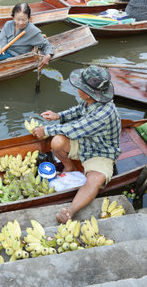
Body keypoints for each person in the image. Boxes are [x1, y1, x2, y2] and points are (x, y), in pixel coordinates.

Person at [32, 65, 121, 223]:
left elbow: (75, 129)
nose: (77, 89)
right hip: (85, 142)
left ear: (88, 93)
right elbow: (77, 111)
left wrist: (46, 130)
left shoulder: (104, 113)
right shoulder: (88, 101)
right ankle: (70, 167)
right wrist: (58, 115)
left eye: (80, 87)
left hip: (101, 152)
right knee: (57, 142)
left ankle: (70, 211)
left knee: (95, 180)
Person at [0, 3, 53, 71]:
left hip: (12, 55)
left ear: (29, 18)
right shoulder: (8, 24)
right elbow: (1, 39)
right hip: (2, 50)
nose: (20, 23)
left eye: (24, 20)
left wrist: (48, 55)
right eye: (18, 19)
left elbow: (46, 44)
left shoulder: (33, 30)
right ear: (13, 17)